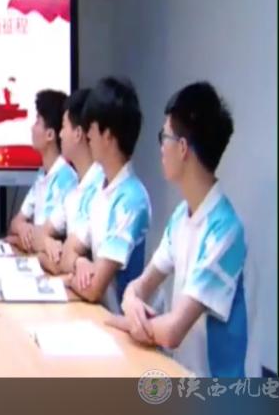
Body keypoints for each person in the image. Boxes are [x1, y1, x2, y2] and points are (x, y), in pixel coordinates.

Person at [108, 82, 247, 377]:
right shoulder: (181, 217)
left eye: (165, 137)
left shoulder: (226, 230)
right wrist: (132, 301)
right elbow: (140, 285)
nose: (161, 148)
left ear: (183, 148)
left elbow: (173, 331)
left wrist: (127, 321)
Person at [59, 77, 152, 312]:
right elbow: (67, 254)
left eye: (91, 126)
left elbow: (94, 288)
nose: (87, 135)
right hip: (100, 316)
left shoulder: (131, 199)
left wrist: (71, 279)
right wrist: (80, 262)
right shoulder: (101, 189)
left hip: (124, 322)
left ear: (108, 135)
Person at [38, 88, 103, 274]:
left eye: (64, 127)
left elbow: (64, 261)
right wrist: (47, 244)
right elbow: (39, 236)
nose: (60, 135)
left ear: (78, 134)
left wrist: (47, 255)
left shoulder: (100, 187)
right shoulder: (75, 188)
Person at [9, 90, 76, 254]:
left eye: (37, 121)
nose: (32, 128)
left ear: (50, 134)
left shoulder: (67, 180)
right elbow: (15, 223)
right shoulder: (42, 175)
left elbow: (44, 241)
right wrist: (23, 228)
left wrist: (18, 239)